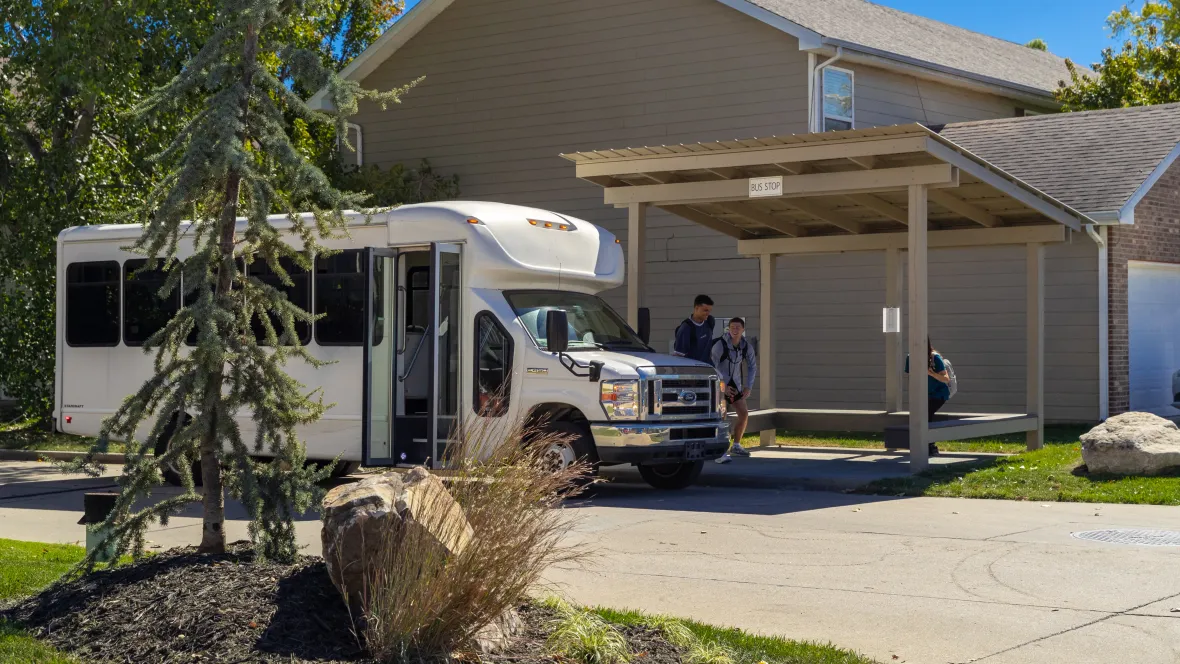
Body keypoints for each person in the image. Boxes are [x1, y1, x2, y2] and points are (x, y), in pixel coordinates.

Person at [711, 317, 756, 464]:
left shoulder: (746, 346)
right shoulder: (720, 345)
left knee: (743, 414)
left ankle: (736, 445)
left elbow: (752, 366)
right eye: (732, 327)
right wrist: (722, 384)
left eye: (738, 327)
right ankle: (720, 451)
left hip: (735, 384)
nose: (734, 330)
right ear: (728, 329)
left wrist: (748, 386)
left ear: (743, 330)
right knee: (721, 417)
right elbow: (712, 365)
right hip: (721, 385)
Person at [905, 338, 951, 457]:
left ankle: (930, 445)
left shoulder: (935, 358)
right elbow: (910, 377)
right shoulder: (910, 358)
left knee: (926, 414)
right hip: (922, 394)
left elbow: (946, 379)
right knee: (922, 415)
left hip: (938, 394)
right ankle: (927, 445)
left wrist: (931, 373)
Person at [672, 294, 715, 364]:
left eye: (709, 311)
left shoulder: (710, 321)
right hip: (693, 370)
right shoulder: (686, 328)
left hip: (707, 368)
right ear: (696, 308)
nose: (708, 313)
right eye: (705, 310)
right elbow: (678, 356)